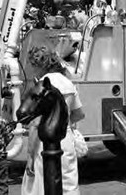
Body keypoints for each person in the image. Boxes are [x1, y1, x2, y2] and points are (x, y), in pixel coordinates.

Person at [21, 47, 85, 195]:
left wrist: (30, 155)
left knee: (44, 185)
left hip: (45, 142)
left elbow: (36, 125)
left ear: (39, 65)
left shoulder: (42, 86)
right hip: (66, 139)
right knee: (68, 184)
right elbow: (80, 114)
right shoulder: (68, 83)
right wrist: (65, 123)